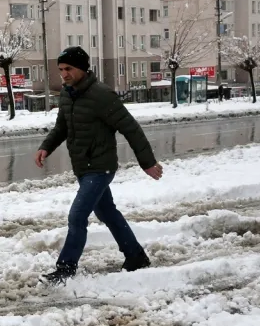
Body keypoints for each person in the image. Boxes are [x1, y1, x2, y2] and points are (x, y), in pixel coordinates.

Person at [35, 46, 164, 285]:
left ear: (83, 68)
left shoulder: (102, 95)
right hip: (82, 167)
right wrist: (46, 147)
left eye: (69, 69)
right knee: (107, 213)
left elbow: (130, 128)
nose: (64, 74)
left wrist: (147, 163)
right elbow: (61, 128)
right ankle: (135, 256)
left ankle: (65, 269)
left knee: (77, 215)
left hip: (100, 166)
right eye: (61, 69)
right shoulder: (67, 94)